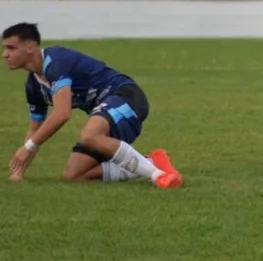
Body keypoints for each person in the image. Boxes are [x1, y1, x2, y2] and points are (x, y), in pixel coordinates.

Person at [2, 22, 182, 187]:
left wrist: (28, 147)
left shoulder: (55, 63)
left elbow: (62, 113)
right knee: (74, 175)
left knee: (89, 135)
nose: (5, 54)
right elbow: (34, 131)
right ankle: (151, 162)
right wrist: (19, 171)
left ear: (30, 47)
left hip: (126, 95)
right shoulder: (33, 86)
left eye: (11, 48)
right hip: (105, 110)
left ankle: (158, 176)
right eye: (4, 48)